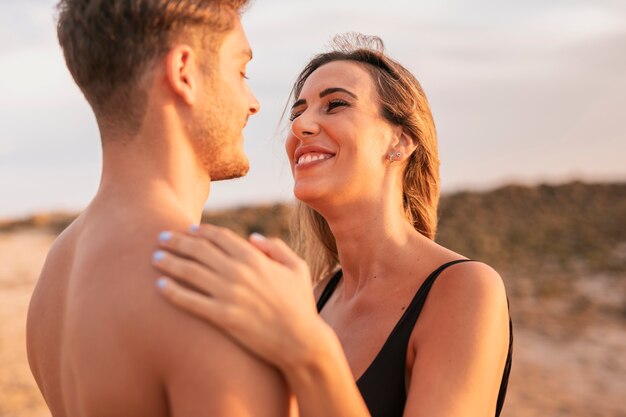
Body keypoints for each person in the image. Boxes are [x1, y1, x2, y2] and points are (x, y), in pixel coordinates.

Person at [152, 34, 513, 417]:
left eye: (335, 105)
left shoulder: (464, 290)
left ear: (401, 140)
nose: (301, 126)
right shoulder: (313, 298)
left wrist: (306, 349)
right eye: (297, 113)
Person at [26, 1, 292, 416]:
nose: (253, 102)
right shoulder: (212, 286)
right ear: (183, 73)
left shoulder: (56, 271)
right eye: (241, 72)